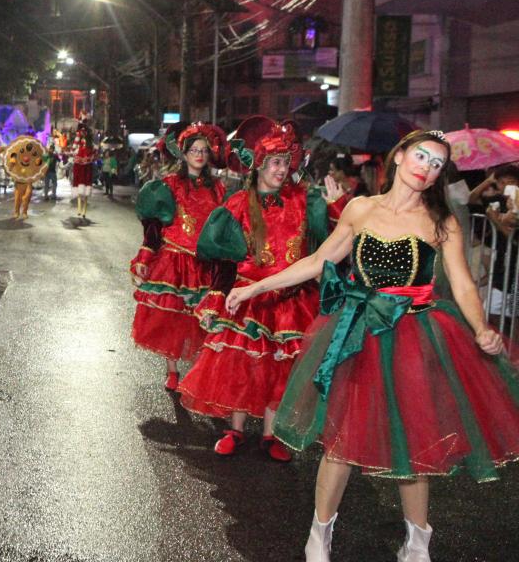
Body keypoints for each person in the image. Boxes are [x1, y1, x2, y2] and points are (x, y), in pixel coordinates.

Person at [219, 131, 519, 562]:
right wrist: (256, 287)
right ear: (398, 157)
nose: (427, 167)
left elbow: (464, 285)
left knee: (414, 443)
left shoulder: (441, 221)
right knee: (341, 440)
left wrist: (479, 327)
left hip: (415, 335)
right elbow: (316, 261)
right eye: (421, 156)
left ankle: (417, 543)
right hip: (357, 333)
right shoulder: (360, 209)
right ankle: (319, 534)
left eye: (437, 164)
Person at [176, 118, 329, 462]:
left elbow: (327, 241)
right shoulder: (238, 205)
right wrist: (218, 293)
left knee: (281, 369)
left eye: (286, 163)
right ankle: (236, 429)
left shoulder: (303, 201)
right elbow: (224, 259)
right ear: (259, 165)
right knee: (241, 365)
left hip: (292, 300)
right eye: (275, 162)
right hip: (249, 297)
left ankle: (271, 435)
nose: (281, 169)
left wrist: (334, 205)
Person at [130, 123, 228, 390]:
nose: (199, 155)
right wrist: (144, 257)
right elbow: (153, 229)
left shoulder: (219, 189)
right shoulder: (168, 185)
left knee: (202, 319)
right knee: (172, 319)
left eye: (204, 151)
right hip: (173, 261)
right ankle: (172, 371)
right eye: (194, 150)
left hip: (206, 263)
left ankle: (199, 373)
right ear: (184, 154)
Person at [69, 124, 95, 220]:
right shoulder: (78, 141)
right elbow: (72, 149)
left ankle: (84, 210)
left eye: (84, 131)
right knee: (79, 190)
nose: (83, 133)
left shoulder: (90, 144)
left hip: (87, 167)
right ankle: (79, 209)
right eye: (81, 131)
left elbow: (94, 152)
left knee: (86, 189)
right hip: (79, 166)